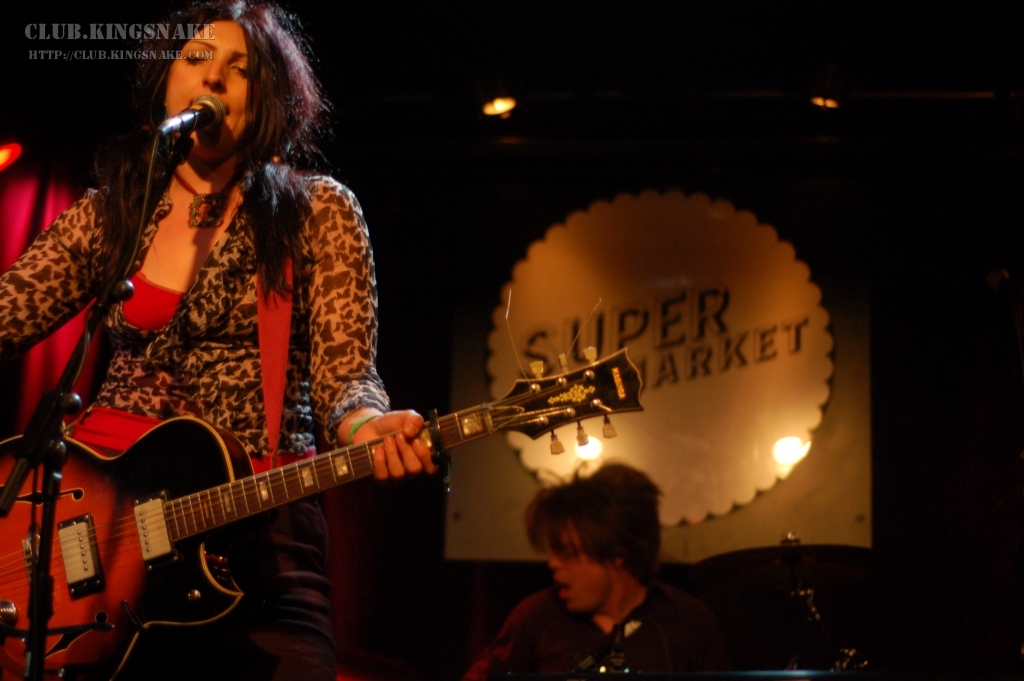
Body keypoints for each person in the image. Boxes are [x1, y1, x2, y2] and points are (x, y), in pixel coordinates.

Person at [0, 2, 435, 679]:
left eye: (241, 69)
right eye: (196, 58)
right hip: (101, 535)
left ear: (270, 101)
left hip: (259, 526)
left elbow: (346, 377)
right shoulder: (113, 212)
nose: (214, 77)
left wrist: (367, 426)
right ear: (165, 84)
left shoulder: (315, 210)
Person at [463, 464, 730, 678]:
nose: (553, 563)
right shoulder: (536, 616)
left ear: (618, 553)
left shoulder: (689, 621)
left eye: (569, 553)